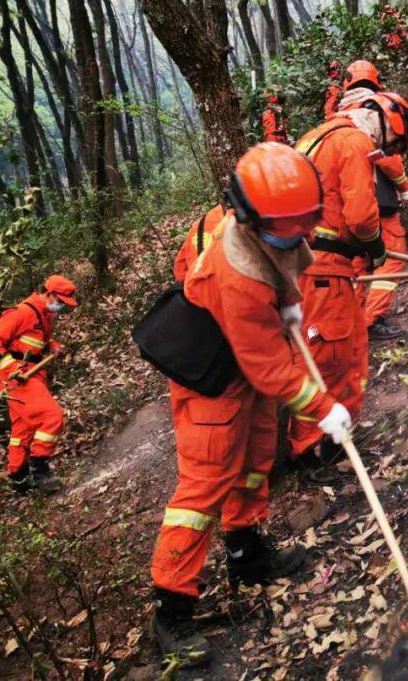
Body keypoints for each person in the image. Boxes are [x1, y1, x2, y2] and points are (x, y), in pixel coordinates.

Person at [150, 143, 353, 665]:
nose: (302, 235)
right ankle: (171, 610)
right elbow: (267, 365)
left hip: (250, 368)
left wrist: (288, 307)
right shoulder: (233, 272)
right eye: (293, 227)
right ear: (251, 215)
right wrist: (324, 407)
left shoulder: (277, 224)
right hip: (213, 380)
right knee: (202, 490)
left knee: (254, 462)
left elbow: (287, 265)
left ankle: (247, 554)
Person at [291, 89, 408, 482]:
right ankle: (315, 451)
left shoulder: (316, 135)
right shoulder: (353, 140)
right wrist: (376, 247)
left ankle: (326, 439)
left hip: (309, 266)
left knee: (326, 353)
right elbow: (362, 216)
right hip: (325, 270)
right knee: (331, 358)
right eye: (390, 141)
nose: (384, 147)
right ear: (382, 122)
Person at [333, 61, 408, 340]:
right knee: (393, 256)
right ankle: (372, 320)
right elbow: (387, 157)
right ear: (375, 81)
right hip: (377, 200)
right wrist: (406, 188)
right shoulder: (372, 113)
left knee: (358, 265)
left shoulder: (339, 115)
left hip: (347, 207)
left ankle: (355, 323)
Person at [0, 275, 77, 495]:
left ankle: (18, 478)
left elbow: (39, 341)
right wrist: (12, 369)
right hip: (15, 378)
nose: (61, 307)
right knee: (52, 416)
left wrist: (52, 346)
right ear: (49, 294)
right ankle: (40, 469)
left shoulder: (43, 314)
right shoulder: (22, 313)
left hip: (31, 375)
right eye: (60, 301)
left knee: (22, 429)